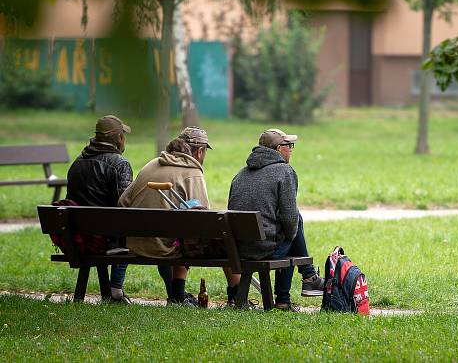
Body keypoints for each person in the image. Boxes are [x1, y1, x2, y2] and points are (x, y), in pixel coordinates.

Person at [226, 128, 324, 311]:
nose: (291, 150)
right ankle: (298, 287)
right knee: (293, 226)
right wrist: (291, 231)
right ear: (279, 148)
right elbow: (289, 217)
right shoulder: (284, 171)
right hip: (264, 249)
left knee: (291, 227)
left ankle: (306, 279)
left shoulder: (240, 174)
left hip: (238, 249)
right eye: (289, 145)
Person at [118, 126, 212, 306]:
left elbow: (123, 202)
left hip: (136, 243)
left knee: (173, 233)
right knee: (187, 234)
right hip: (166, 248)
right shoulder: (193, 172)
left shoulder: (151, 164)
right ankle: (177, 294)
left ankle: (176, 295)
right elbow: (204, 220)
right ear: (200, 151)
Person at [66, 114, 133, 303]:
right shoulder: (120, 164)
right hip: (108, 241)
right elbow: (126, 207)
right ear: (119, 139)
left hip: (79, 238)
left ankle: (111, 291)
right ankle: (116, 289)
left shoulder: (76, 163)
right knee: (129, 227)